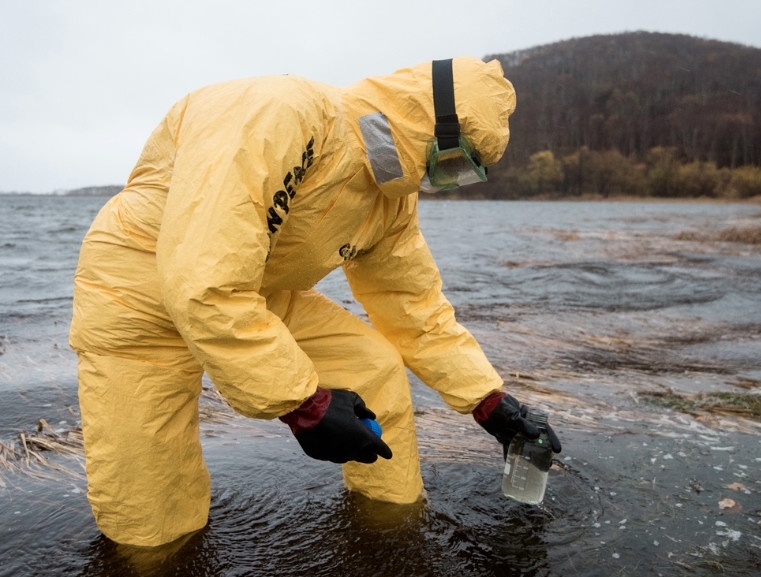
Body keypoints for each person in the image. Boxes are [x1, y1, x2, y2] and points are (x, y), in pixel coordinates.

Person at [69, 56, 561, 548]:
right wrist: (304, 404)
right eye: (452, 164)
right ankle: (147, 571)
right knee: (151, 508)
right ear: (429, 124)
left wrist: (490, 401)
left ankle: (389, 528)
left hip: (253, 293)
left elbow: (415, 309)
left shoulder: (389, 202)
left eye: (465, 174)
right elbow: (204, 279)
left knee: (372, 367)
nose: (445, 183)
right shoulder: (280, 114)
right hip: (134, 293)